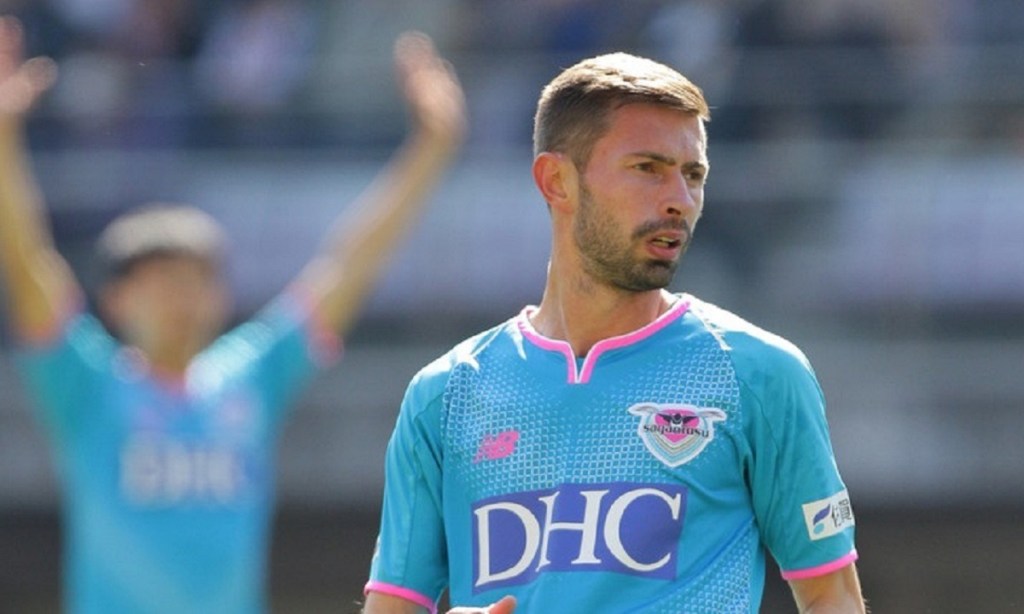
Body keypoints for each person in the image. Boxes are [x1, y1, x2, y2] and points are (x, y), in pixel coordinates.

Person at [362, 51, 865, 613]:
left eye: (693, 175)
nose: (680, 200)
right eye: (648, 168)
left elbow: (832, 597)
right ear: (557, 181)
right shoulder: (446, 395)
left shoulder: (759, 375)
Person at [0, 15, 465, 614]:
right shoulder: (84, 382)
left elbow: (347, 266)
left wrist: (430, 149)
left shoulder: (251, 373)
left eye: (197, 282)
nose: (182, 299)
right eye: (162, 284)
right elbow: (28, 260)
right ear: (116, 301)